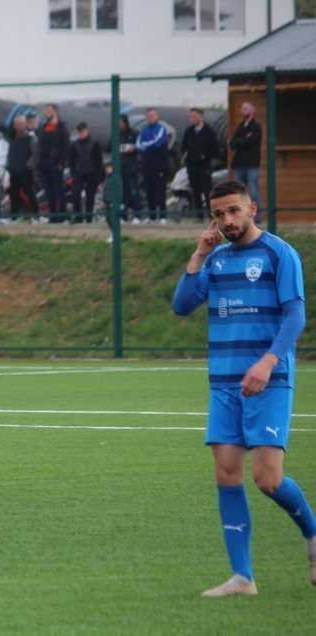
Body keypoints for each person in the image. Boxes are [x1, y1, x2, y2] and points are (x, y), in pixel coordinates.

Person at [171, 179, 316, 597]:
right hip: (224, 382)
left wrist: (268, 363)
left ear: (253, 208)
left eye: (234, 211)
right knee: (226, 473)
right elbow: (182, 305)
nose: (227, 220)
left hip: (269, 381)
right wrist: (199, 253)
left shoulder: (279, 253)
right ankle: (243, 577)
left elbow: (295, 319)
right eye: (219, 214)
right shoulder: (215, 260)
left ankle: (313, 534)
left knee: (268, 480)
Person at [182, 107, 219, 219]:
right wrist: (188, 157)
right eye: (190, 116)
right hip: (192, 165)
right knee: (195, 190)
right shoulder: (188, 131)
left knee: (207, 191)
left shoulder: (209, 131)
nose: (191, 119)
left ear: (200, 116)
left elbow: (215, 149)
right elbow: (184, 147)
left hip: (205, 166)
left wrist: (205, 156)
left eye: (194, 116)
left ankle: (211, 216)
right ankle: (199, 216)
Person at [230, 102, 263, 221]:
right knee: (239, 192)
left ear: (252, 111)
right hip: (239, 164)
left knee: (253, 191)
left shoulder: (256, 126)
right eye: (242, 108)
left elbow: (250, 142)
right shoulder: (240, 126)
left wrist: (241, 140)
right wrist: (243, 139)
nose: (242, 110)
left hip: (252, 164)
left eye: (245, 108)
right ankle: (241, 215)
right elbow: (232, 143)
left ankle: (258, 216)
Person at [37, 104, 70, 223]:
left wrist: (61, 163)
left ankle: (61, 215)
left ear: (55, 112)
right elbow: (40, 145)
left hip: (56, 164)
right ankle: (52, 215)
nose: (47, 112)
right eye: (46, 110)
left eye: (49, 110)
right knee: (48, 190)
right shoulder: (44, 127)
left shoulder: (61, 127)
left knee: (58, 190)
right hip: (43, 163)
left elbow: (65, 146)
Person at [136, 108, 169, 222]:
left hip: (159, 166)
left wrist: (146, 146)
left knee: (160, 191)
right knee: (149, 192)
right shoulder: (144, 130)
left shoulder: (161, 129)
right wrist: (147, 146)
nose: (151, 118)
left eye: (153, 115)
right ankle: (152, 216)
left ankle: (163, 216)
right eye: (149, 116)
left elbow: (158, 143)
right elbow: (139, 145)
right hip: (147, 166)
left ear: (157, 116)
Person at [68, 122, 104, 224]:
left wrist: (99, 177)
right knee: (75, 194)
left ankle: (89, 218)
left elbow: (98, 161)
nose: (81, 134)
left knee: (90, 197)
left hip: (92, 174)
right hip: (79, 174)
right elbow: (71, 161)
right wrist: (73, 173)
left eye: (83, 131)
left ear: (87, 131)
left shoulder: (94, 143)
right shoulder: (74, 145)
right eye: (80, 132)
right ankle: (78, 216)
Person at [6, 114, 38, 221]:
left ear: (25, 125)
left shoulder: (31, 138)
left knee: (29, 192)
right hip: (13, 171)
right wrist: (9, 166)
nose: (19, 126)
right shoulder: (13, 139)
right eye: (17, 124)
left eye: (21, 124)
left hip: (26, 171)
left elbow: (36, 154)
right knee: (13, 194)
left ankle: (36, 214)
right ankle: (14, 216)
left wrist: (28, 166)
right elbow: (10, 154)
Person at [119, 115, 141, 221]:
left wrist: (133, 148)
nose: (119, 125)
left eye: (121, 122)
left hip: (132, 168)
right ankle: (123, 216)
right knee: (123, 193)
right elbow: (110, 146)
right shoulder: (117, 134)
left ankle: (137, 215)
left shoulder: (134, 133)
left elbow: (139, 147)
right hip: (121, 168)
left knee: (134, 192)